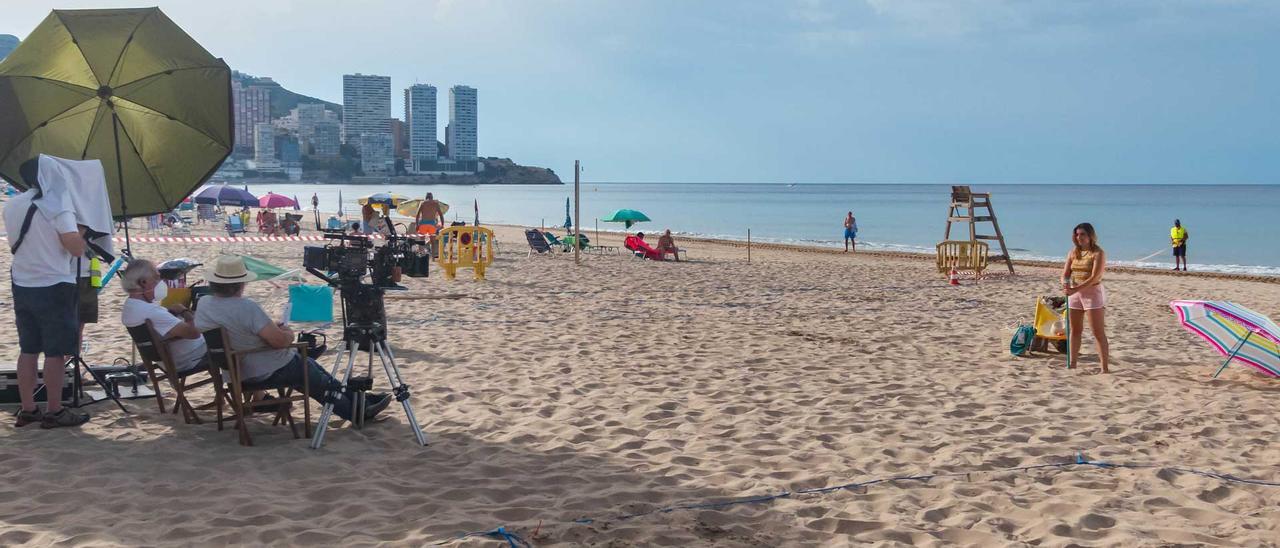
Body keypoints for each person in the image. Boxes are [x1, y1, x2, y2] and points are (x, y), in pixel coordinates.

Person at [194, 256, 391, 422]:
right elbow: (279, 342)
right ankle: (355, 411)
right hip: (262, 368)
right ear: (241, 283)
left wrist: (270, 332)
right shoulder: (246, 307)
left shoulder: (204, 304)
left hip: (236, 371)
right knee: (313, 375)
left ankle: (358, 400)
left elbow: (235, 331)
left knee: (312, 367)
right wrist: (287, 333)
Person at [4, 158, 90, 428]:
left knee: (28, 349)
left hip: (22, 281)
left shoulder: (13, 204)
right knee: (55, 352)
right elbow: (75, 248)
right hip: (54, 283)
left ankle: (28, 409)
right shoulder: (58, 206)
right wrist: (82, 232)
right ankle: (54, 410)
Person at [120, 259, 207, 375]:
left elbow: (160, 322)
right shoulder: (152, 312)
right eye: (156, 278)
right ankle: (232, 389)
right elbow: (194, 333)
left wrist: (170, 312)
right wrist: (186, 313)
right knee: (226, 340)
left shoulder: (130, 306)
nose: (161, 282)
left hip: (166, 361)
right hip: (188, 358)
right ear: (143, 282)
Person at [1061, 222, 1110, 374]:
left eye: (1082, 234)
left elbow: (1095, 277)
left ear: (1090, 236)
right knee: (1075, 330)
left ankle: (1104, 368)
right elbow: (1065, 273)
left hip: (1092, 294)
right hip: (1075, 295)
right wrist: (1065, 284)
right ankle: (1073, 363)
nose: (1079, 237)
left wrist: (1076, 289)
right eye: (1077, 234)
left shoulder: (1098, 253)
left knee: (1097, 332)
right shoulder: (1073, 252)